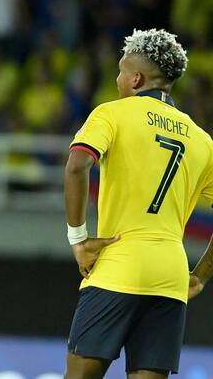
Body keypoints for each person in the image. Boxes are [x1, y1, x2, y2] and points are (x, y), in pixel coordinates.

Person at [64, 28, 213, 379]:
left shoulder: (112, 114)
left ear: (135, 78)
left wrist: (79, 239)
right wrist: (201, 275)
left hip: (119, 265)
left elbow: (76, 166)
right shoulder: (202, 140)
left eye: (119, 71)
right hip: (171, 276)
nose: (117, 79)